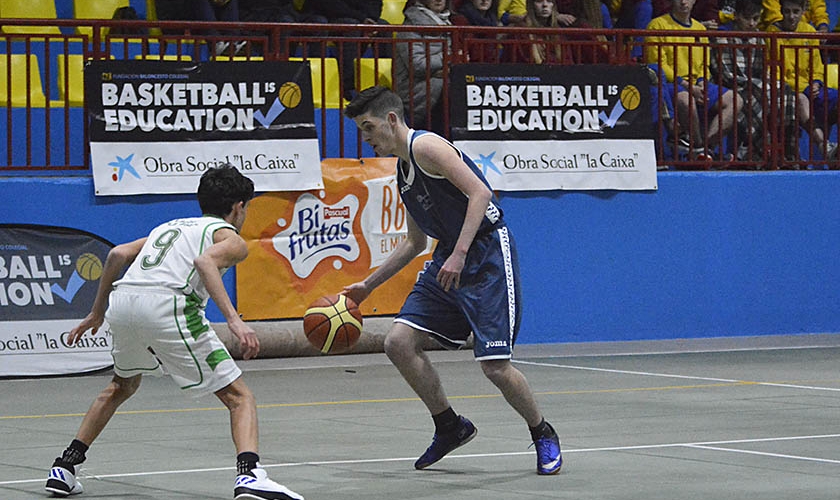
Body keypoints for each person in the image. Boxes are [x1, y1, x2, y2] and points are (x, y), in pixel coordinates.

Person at [44, 165, 303, 500]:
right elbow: (205, 263)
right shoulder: (231, 238)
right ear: (239, 206)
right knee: (239, 397)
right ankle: (250, 475)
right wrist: (234, 321)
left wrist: (96, 312)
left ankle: (65, 467)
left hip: (123, 303)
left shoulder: (170, 226)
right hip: (168, 305)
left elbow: (117, 254)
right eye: (247, 208)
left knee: (121, 386)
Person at [342, 86, 563, 475]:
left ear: (392, 120)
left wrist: (460, 253)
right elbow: (414, 243)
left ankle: (542, 432)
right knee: (398, 342)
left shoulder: (428, 148)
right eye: (363, 130)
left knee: (495, 367)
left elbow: (481, 192)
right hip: (449, 257)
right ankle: (449, 426)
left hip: (486, 253)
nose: (367, 137)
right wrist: (368, 286)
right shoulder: (403, 172)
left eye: (369, 127)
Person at [645, 0, 743, 161]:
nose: (684, 2)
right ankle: (698, 146)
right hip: (671, 83)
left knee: (736, 100)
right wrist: (688, 86)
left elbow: (704, 63)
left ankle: (706, 147)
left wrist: (702, 82)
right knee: (685, 99)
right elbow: (657, 65)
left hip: (696, 83)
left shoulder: (700, 28)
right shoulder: (657, 25)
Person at [710, 0, 802, 162]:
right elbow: (725, 76)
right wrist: (756, 84)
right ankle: (758, 151)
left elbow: (763, 72)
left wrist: (761, 84)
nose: (752, 24)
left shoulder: (759, 39)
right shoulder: (721, 39)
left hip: (756, 88)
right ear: (737, 16)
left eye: (755, 18)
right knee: (759, 96)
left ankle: (788, 150)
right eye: (747, 18)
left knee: (784, 91)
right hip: (732, 89)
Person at [765, 0, 838, 162]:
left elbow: (818, 66)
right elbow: (774, 72)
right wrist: (802, 87)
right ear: (781, 11)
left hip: (812, 87)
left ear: (804, 11)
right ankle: (825, 146)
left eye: (796, 11)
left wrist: (817, 82)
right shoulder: (772, 33)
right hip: (791, 89)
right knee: (801, 99)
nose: (791, 16)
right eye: (788, 11)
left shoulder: (809, 31)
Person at [302, 0, 391, 101]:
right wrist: (363, 20)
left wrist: (371, 20)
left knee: (384, 28)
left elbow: (376, 3)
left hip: (356, 17)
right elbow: (330, 5)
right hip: (326, 14)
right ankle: (346, 86)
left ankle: (385, 86)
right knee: (352, 27)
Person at [395, 0, 453, 136]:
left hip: (438, 83)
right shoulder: (409, 27)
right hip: (417, 90)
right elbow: (418, 65)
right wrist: (448, 57)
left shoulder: (447, 23)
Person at [760, 0, 830, 31]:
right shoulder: (773, 29)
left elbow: (818, 8)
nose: (791, 16)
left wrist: (822, 25)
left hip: (803, 32)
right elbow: (772, 14)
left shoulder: (808, 29)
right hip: (778, 31)